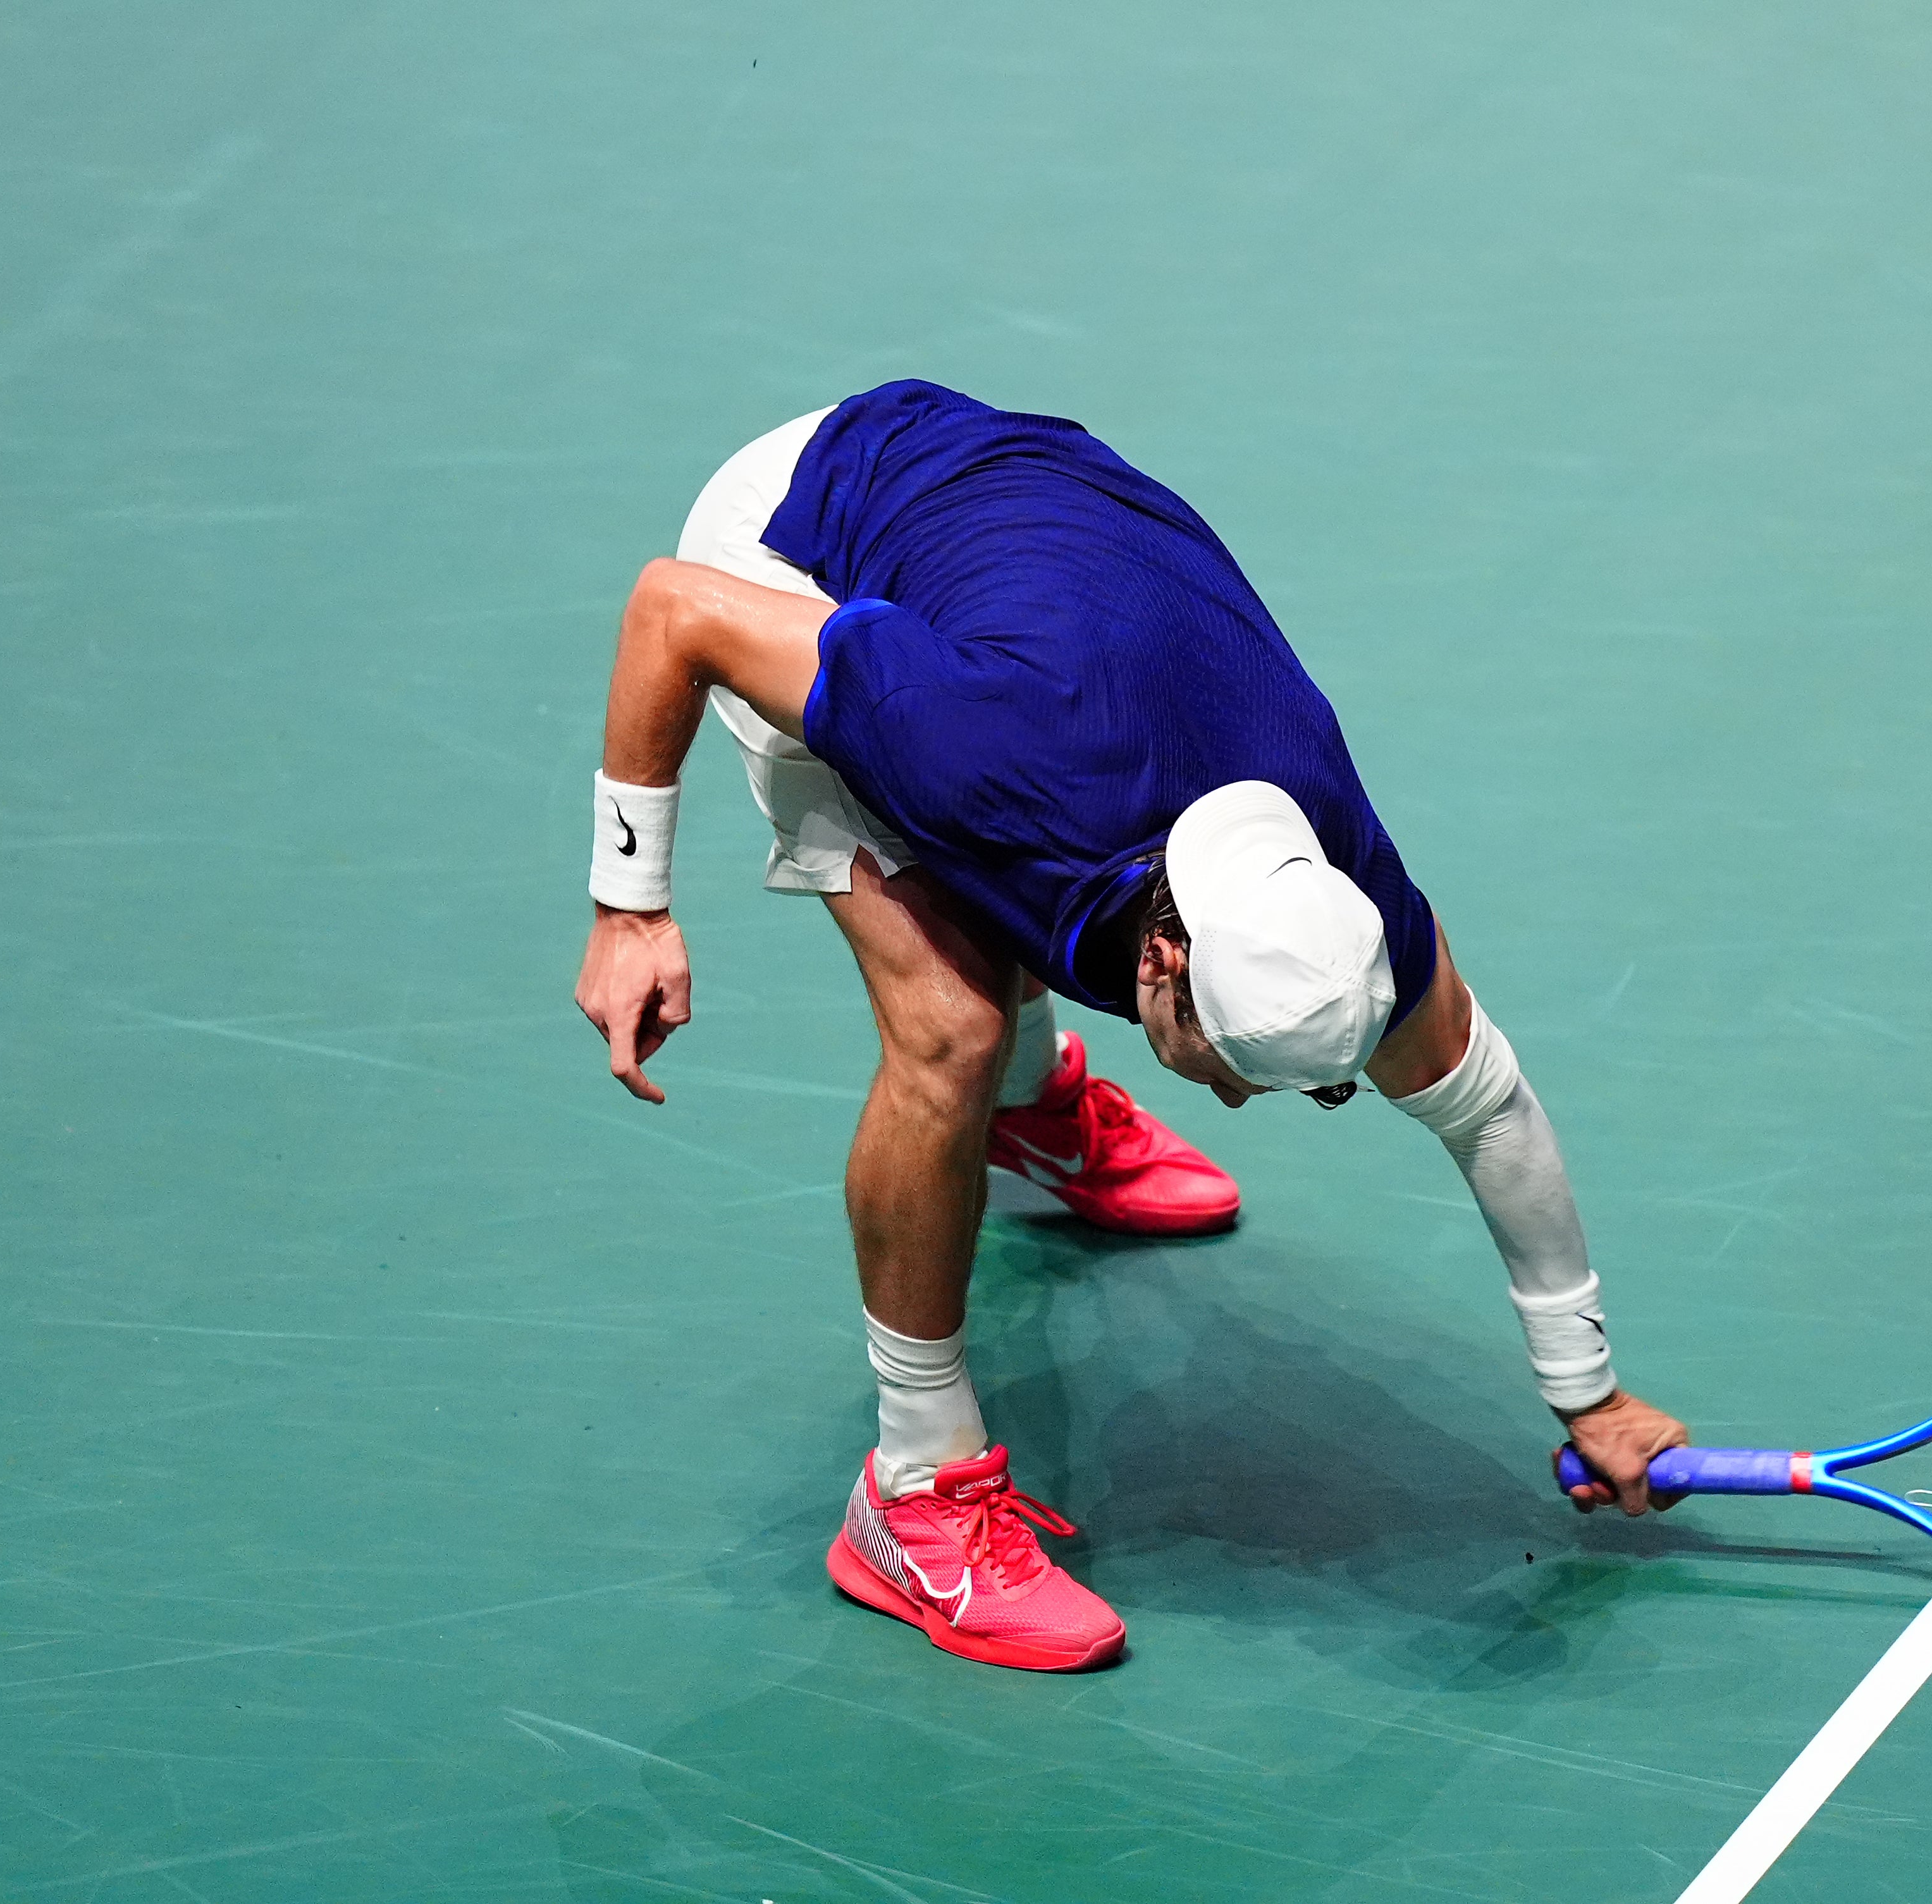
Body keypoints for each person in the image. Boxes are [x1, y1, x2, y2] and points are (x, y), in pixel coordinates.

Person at [574, 381, 1690, 1673]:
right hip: (798, 535)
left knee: (1003, 885)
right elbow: (675, 610)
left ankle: (1037, 1117)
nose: (1220, 1102)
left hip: (1033, 559)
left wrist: (1588, 1391)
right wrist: (631, 904)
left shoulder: (1345, 893)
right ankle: (913, 1494)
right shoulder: (977, 742)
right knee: (949, 1027)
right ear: (1164, 954)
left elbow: (1487, 1107)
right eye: (1220, 1064)